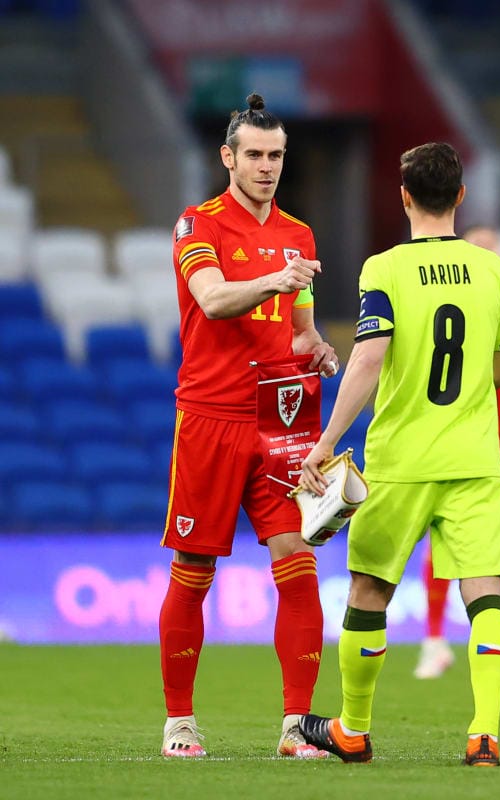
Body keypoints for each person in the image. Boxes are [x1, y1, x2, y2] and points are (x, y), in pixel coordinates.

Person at [296, 142, 500, 766]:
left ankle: (353, 729)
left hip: (400, 461)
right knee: (485, 595)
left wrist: (326, 442)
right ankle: (484, 734)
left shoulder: (385, 269)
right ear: (460, 196)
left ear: (403, 197)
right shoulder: (495, 271)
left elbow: (369, 358)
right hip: (475, 461)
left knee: (369, 589)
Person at [158, 93, 339, 760]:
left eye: (277, 155)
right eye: (255, 155)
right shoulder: (196, 224)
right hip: (210, 417)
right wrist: (274, 279)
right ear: (228, 158)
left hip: (279, 421)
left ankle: (296, 727)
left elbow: (301, 328)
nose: (267, 167)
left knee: (299, 561)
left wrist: (316, 348)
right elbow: (211, 299)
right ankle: (180, 723)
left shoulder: (300, 235)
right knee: (194, 566)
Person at [414, 223, 500, 679]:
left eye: (493, 248)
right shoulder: (443, 299)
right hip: (460, 430)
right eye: (479, 248)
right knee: (441, 533)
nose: (487, 255)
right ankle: (434, 641)